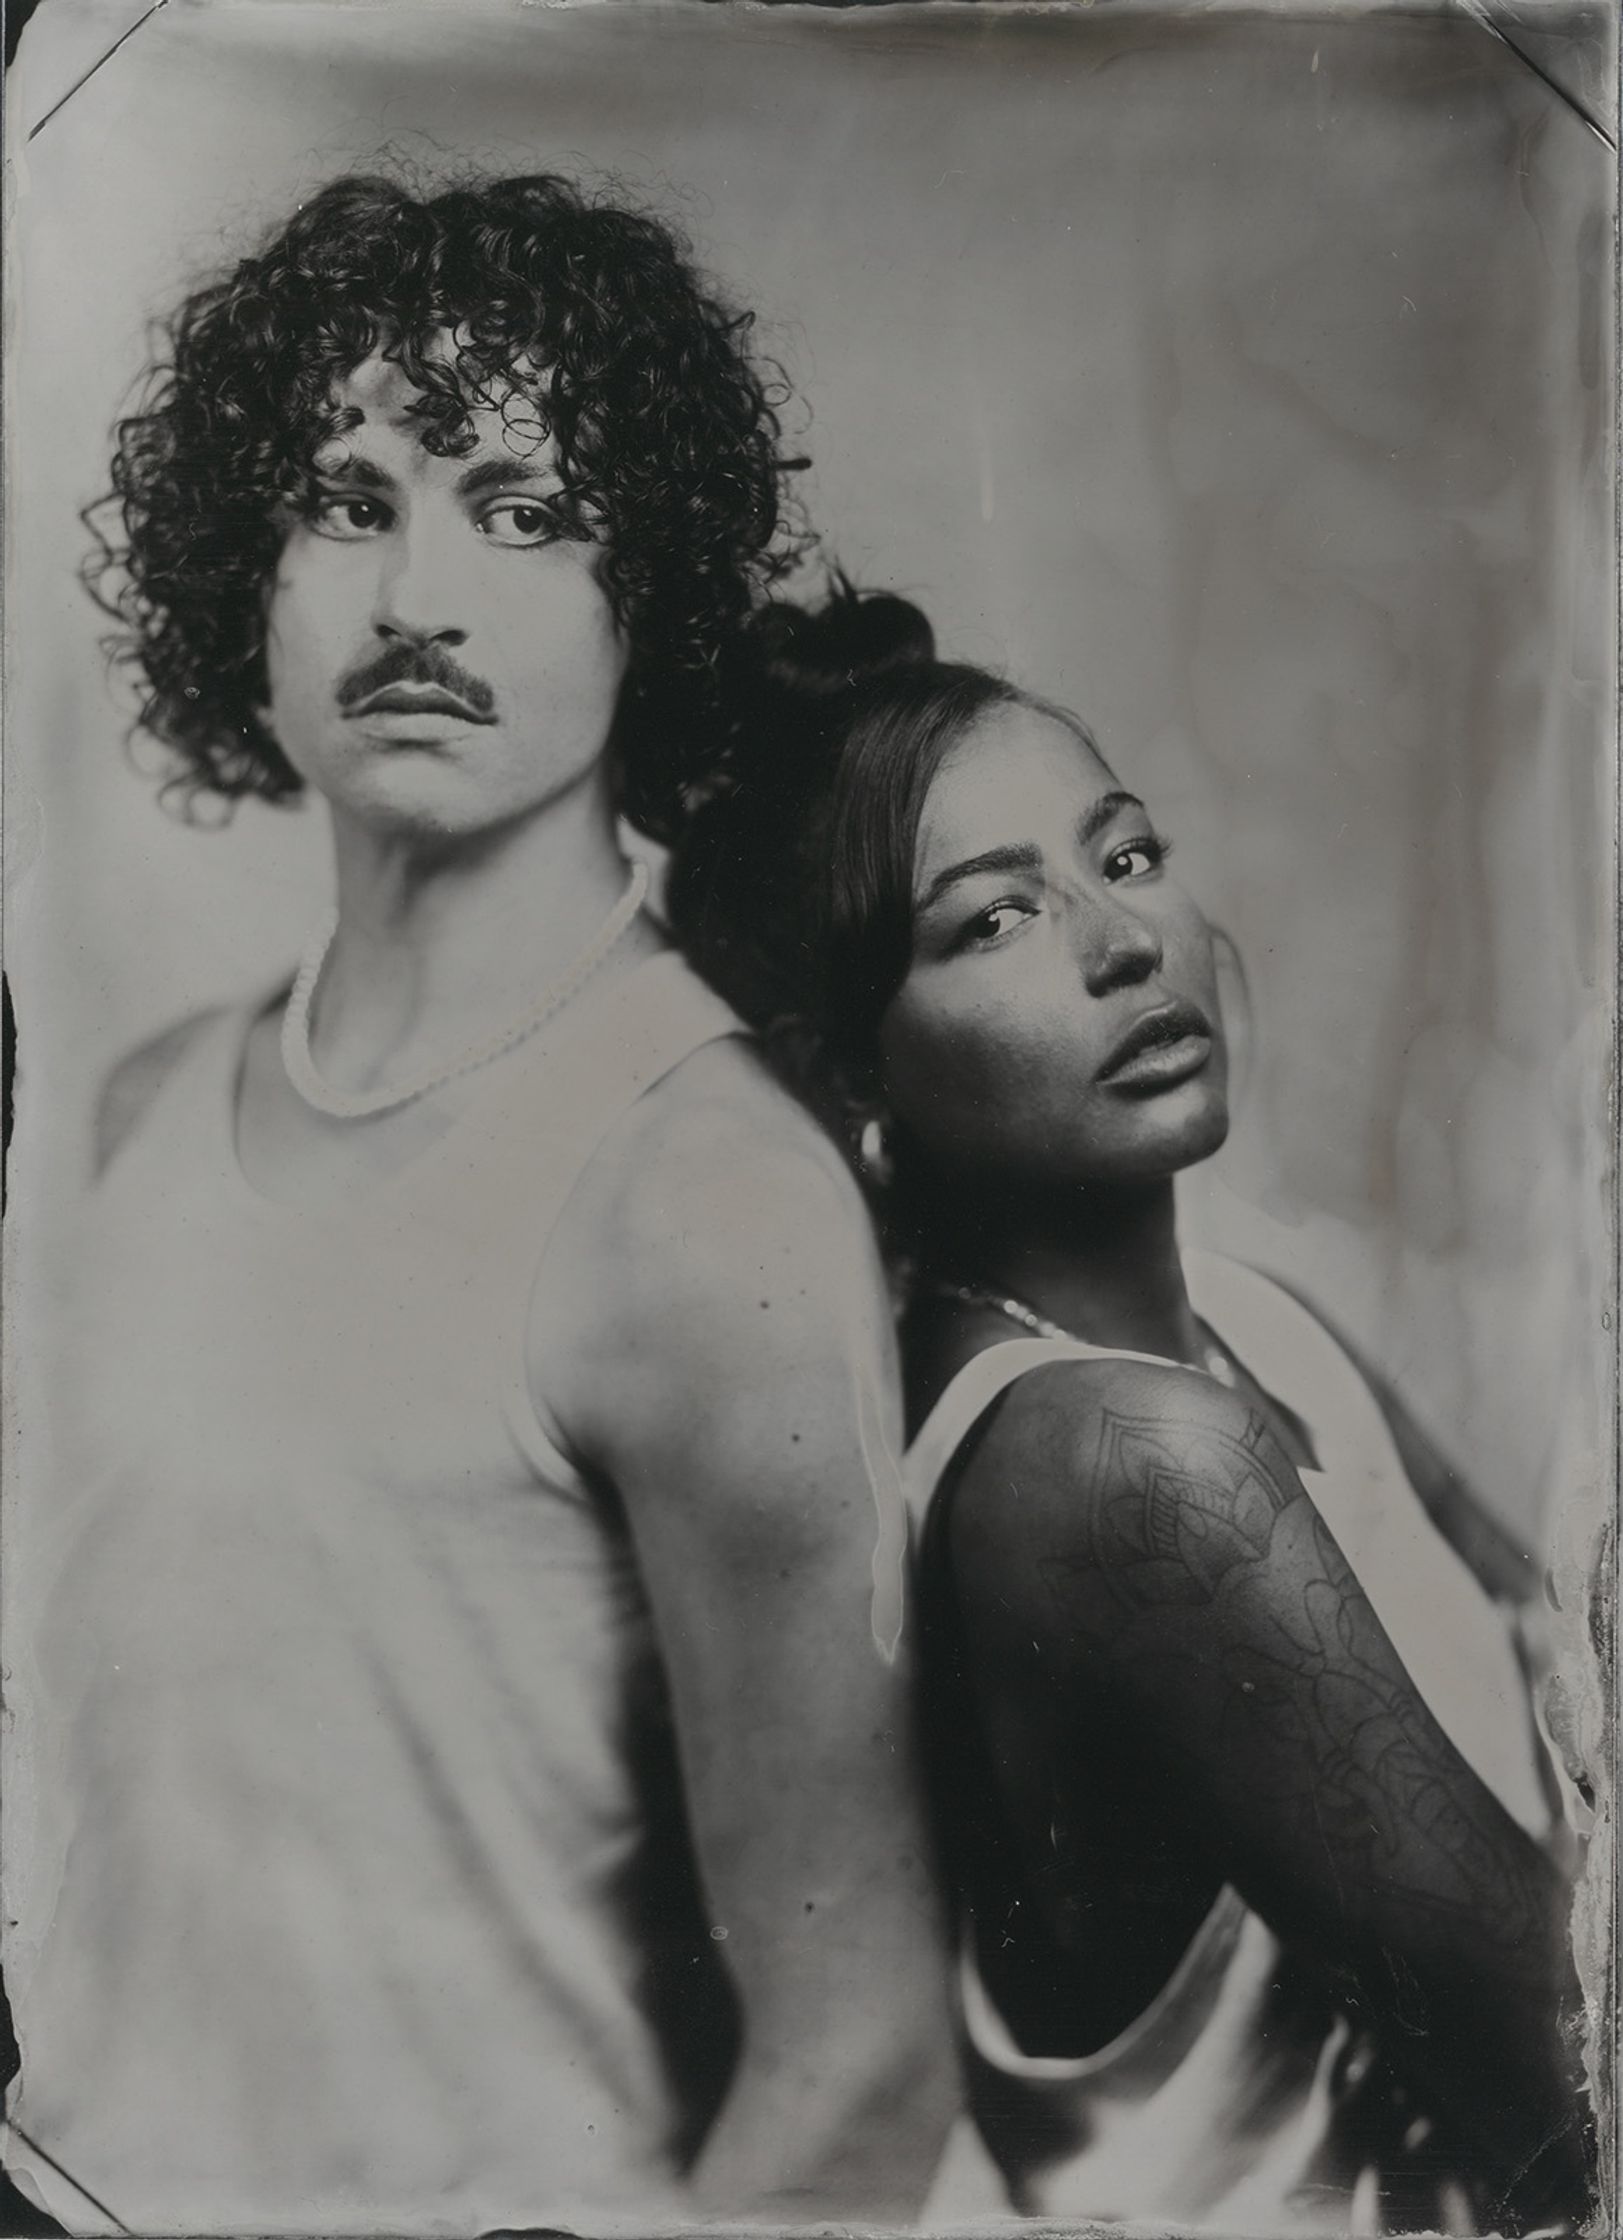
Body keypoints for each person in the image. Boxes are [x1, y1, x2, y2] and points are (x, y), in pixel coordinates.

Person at [0, 178, 956, 2236]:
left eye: (525, 512)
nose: (418, 593)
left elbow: (859, 2069)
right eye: (346, 500)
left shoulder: (702, 1193)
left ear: (646, 606)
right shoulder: (136, 1109)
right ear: (239, 582)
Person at [667, 586, 1596, 2237]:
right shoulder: (1120, 1469)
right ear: (849, 1078)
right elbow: (1583, 2084)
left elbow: (1566, 1673)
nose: (1123, 941)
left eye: (1129, 854)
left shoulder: (1251, 1323)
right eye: (994, 921)